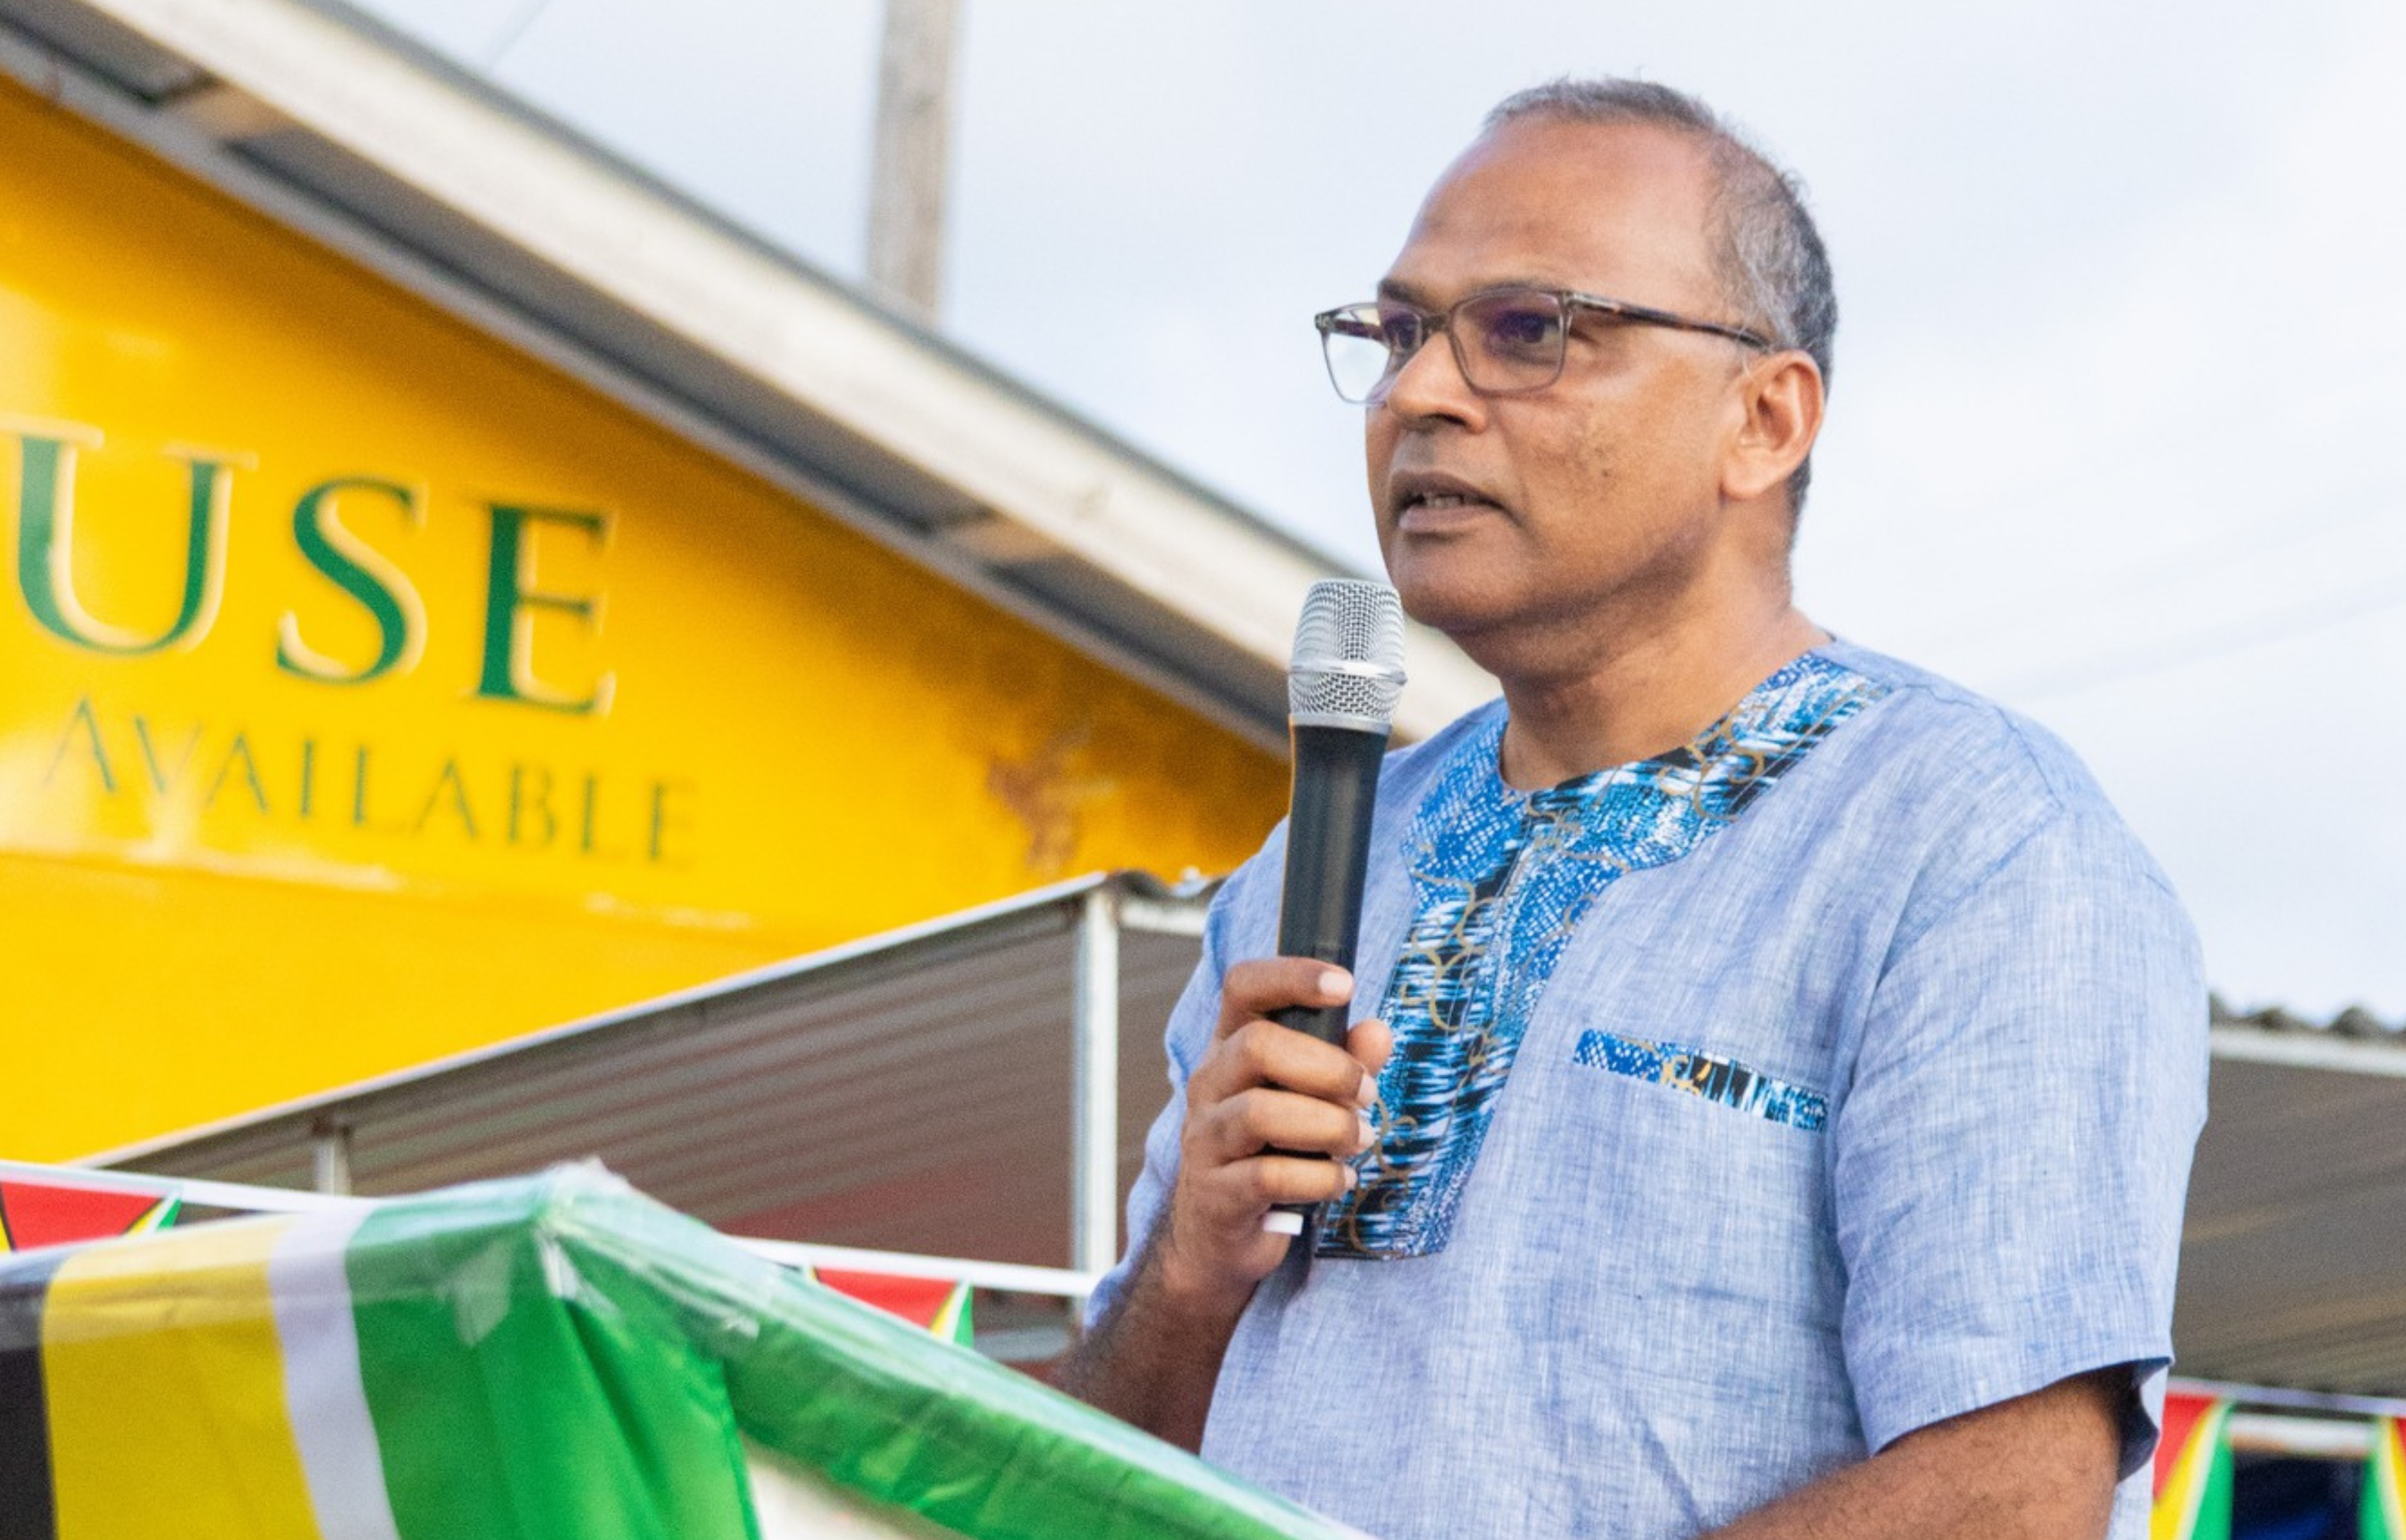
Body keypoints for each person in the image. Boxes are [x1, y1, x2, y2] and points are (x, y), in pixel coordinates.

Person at [1056, 78, 2207, 1540]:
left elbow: (2009, 1499)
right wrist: (1184, 1274)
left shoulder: (1973, 847)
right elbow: (1068, 1488)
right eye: (1398, 333)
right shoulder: (1313, 870)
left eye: (1528, 329)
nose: (1419, 394)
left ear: (1764, 420)